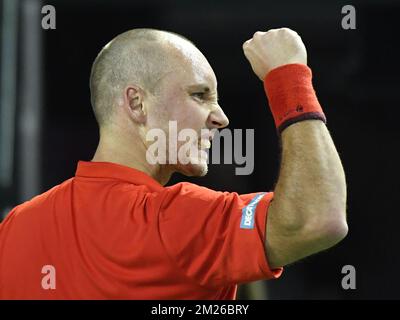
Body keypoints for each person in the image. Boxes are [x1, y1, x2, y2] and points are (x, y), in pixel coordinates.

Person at [0, 28, 348, 299]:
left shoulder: (14, 228)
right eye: (200, 95)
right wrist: (289, 77)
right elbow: (318, 219)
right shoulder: (176, 221)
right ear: (136, 103)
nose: (222, 118)